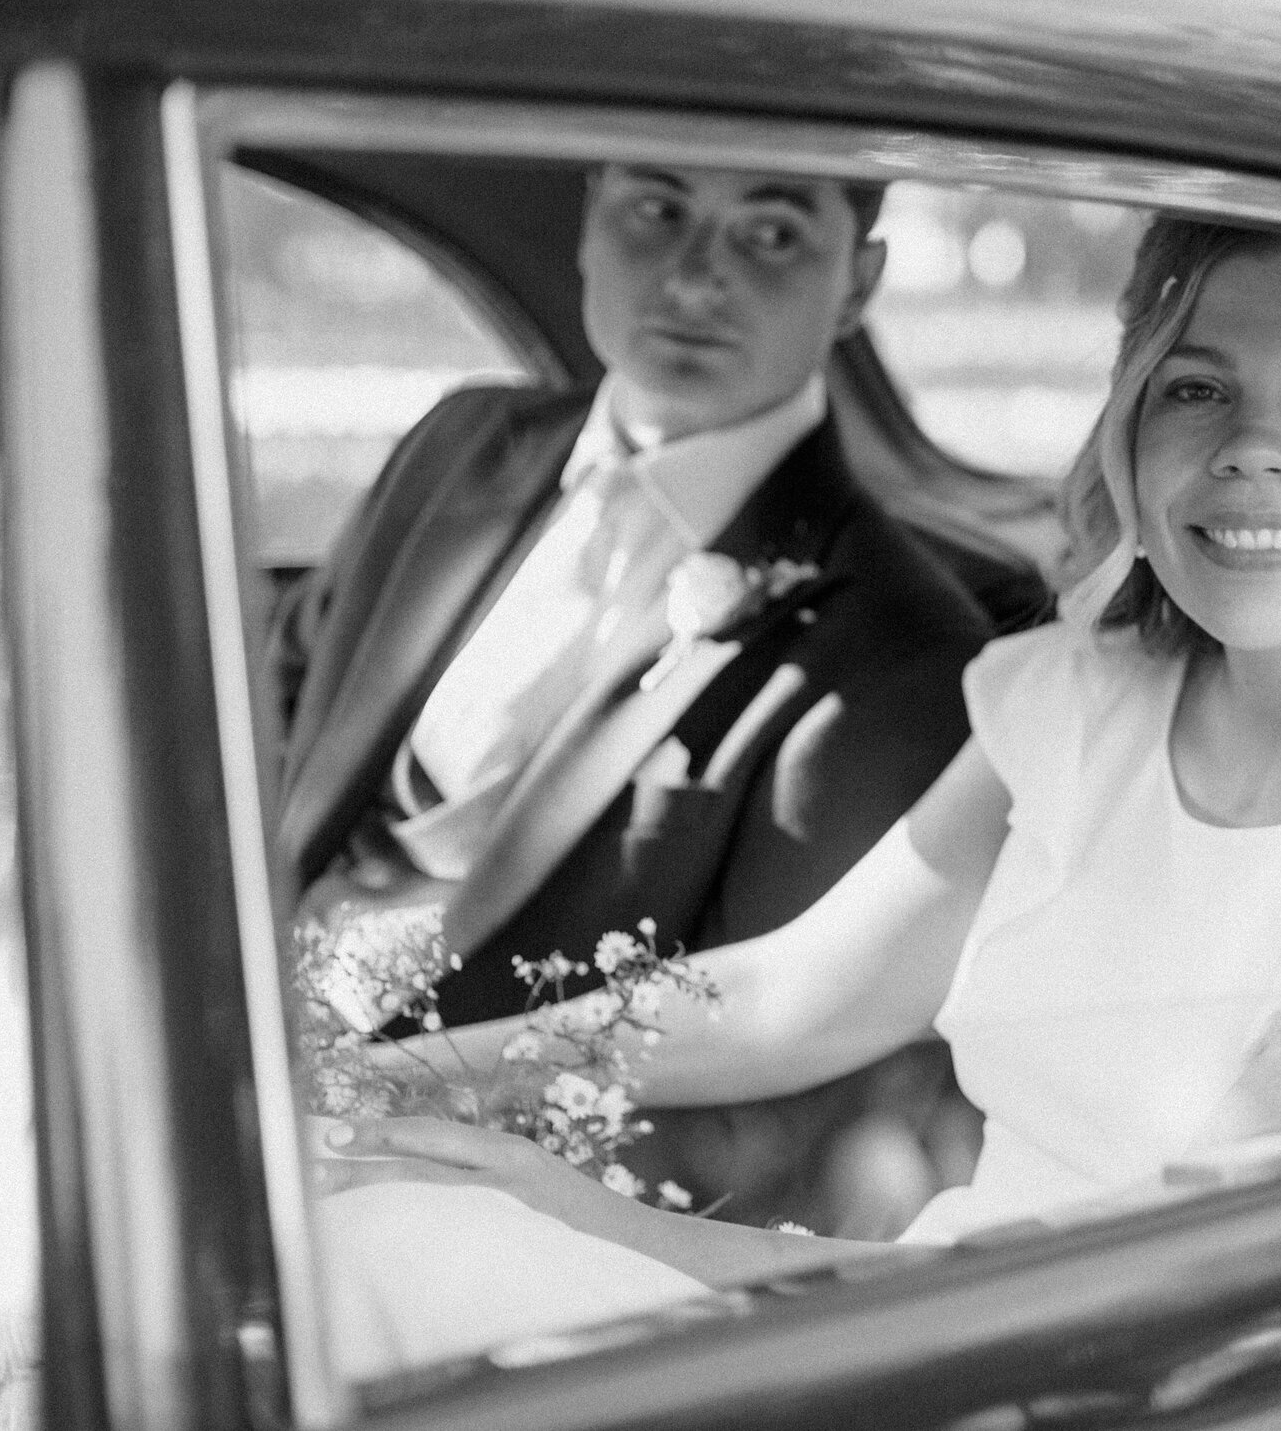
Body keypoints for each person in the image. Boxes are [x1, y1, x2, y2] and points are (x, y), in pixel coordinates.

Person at [316, 216, 1281, 1298]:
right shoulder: (1086, 701)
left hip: (1084, 1363)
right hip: (919, 1315)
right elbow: (786, 1001)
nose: (1250, 446)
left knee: (404, 1274)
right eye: (1195, 387)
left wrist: (619, 1232)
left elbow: (1128, 1289)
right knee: (356, 1236)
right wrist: (380, 1081)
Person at [275, 163, 995, 1225]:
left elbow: (756, 1105)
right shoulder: (456, 444)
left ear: (858, 282)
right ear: (588, 227)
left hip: (453, 1191)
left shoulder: (902, 644)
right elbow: (273, 712)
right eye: (659, 213)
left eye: (771, 235)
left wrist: (365, 1124)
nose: (696, 278)